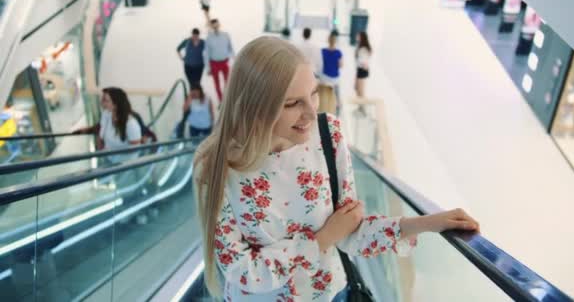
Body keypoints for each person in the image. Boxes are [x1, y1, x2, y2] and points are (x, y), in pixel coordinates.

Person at [193, 36, 479, 301]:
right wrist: (322, 239)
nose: (310, 113)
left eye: (314, 94)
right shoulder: (217, 166)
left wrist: (427, 223)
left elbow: (351, 231)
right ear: (255, 107)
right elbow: (241, 270)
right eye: (293, 103)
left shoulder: (327, 134)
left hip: (331, 294)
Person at [207, 19, 234, 101]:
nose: (215, 27)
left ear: (219, 25)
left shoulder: (226, 35)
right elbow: (207, 53)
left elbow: (231, 49)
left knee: (228, 82)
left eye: (216, 25)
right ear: (211, 26)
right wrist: (208, 68)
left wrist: (232, 60)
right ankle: (221, 101)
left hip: (224, 62)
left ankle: (227, 99)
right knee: (217, 84)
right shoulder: (209, 38)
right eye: (213, 26)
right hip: (214, 63)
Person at [321, 31, 343, 114]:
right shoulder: (338, 52)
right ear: (335, 41)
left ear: (328, 40)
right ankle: (338, 110)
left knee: (325, 93)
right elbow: (341, 65)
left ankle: (325, 108)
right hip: (335, 78)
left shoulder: (323, 51)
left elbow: (321, 63)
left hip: (325, 77)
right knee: (337, 94)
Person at [354, 31, 371, 98]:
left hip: (362, 70)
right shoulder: (360, 47)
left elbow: (364, 61)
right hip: (359, 69)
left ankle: (363, 107)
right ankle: (360, 106)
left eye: (358, 36)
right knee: (357, 89)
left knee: (361, 91)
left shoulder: (364, 48)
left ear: (361, 38)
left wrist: (364, 65)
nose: (356, 37)